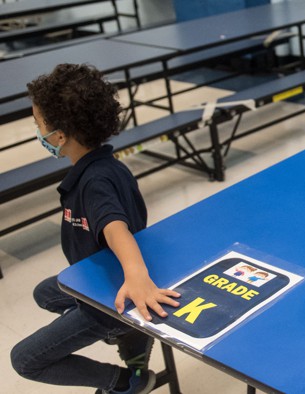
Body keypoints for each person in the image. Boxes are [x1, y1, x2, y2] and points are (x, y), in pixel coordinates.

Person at [10, 64, 180, 394]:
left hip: (110, 294)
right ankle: (128, 335)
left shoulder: (95, 182)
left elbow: (116, 228)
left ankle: (125, 381)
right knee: (44, 292)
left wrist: (136, 277)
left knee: (25, 360)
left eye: (38, 124)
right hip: (99, 271)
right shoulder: (104, 166)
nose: (38, 131)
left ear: (59, 136)